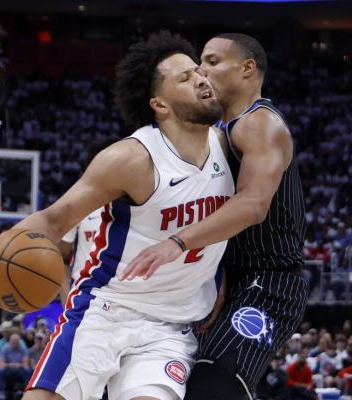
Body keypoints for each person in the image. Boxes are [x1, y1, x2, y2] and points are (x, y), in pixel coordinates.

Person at [0, 31, 233, 400]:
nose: (201, 79)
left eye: (199, 71)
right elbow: (55, 219)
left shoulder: (231, 147)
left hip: (172, 328)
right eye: (185, 77)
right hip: (104, 310)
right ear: (159, 104)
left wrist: (223, 278)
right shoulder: (131, 159)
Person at [121, 33, 308, 399]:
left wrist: (177, 243)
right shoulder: (214, 132)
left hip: (269, 282)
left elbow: (253, 205)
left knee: (215, 384)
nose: (201, 71)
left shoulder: (259, 123)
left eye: (211, 61)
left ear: (247, 68)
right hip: (222, 280)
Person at [58, 138, 118, 304]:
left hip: (123, 297)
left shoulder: (139, 205)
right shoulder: (77, 205)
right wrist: (67, 300)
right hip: (85, 294)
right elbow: (60, 257)